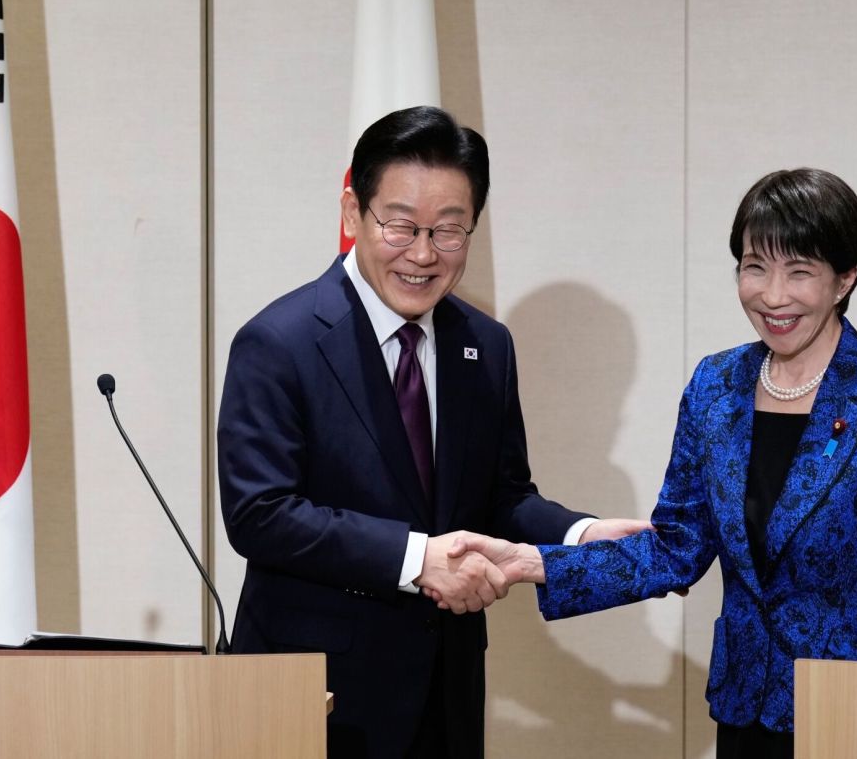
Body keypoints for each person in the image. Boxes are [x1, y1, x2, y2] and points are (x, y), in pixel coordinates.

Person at [444, 168, 857, 758]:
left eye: (799, 271)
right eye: (755, 267)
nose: (772, 295)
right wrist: (532, 562)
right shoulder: (716, 386)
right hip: (745, 711)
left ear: (845, 278)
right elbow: (677, 547)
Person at [217, 105, 648, 759]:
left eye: (449, 231)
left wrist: (580, 537)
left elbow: (502, 497)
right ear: (352, 212)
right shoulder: (279, 342)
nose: (423, 254)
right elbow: (260, 514)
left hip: (445, 695)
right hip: (314, 694)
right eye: (401, 225)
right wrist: (418, 559)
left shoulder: (486, 345)